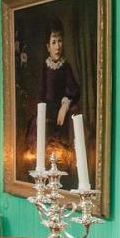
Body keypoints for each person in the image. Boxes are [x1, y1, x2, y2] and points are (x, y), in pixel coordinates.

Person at [27, 20, 82, 163]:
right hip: (46, 115)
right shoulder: (44, 68)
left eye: (60, 41)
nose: (57, 46)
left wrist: (65, 105)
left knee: (63, 154)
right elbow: (40, 95)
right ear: (48, 47)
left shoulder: (66, 67)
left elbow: (75, 90)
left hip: (61, 116)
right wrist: (42, 116)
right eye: (53, 42)